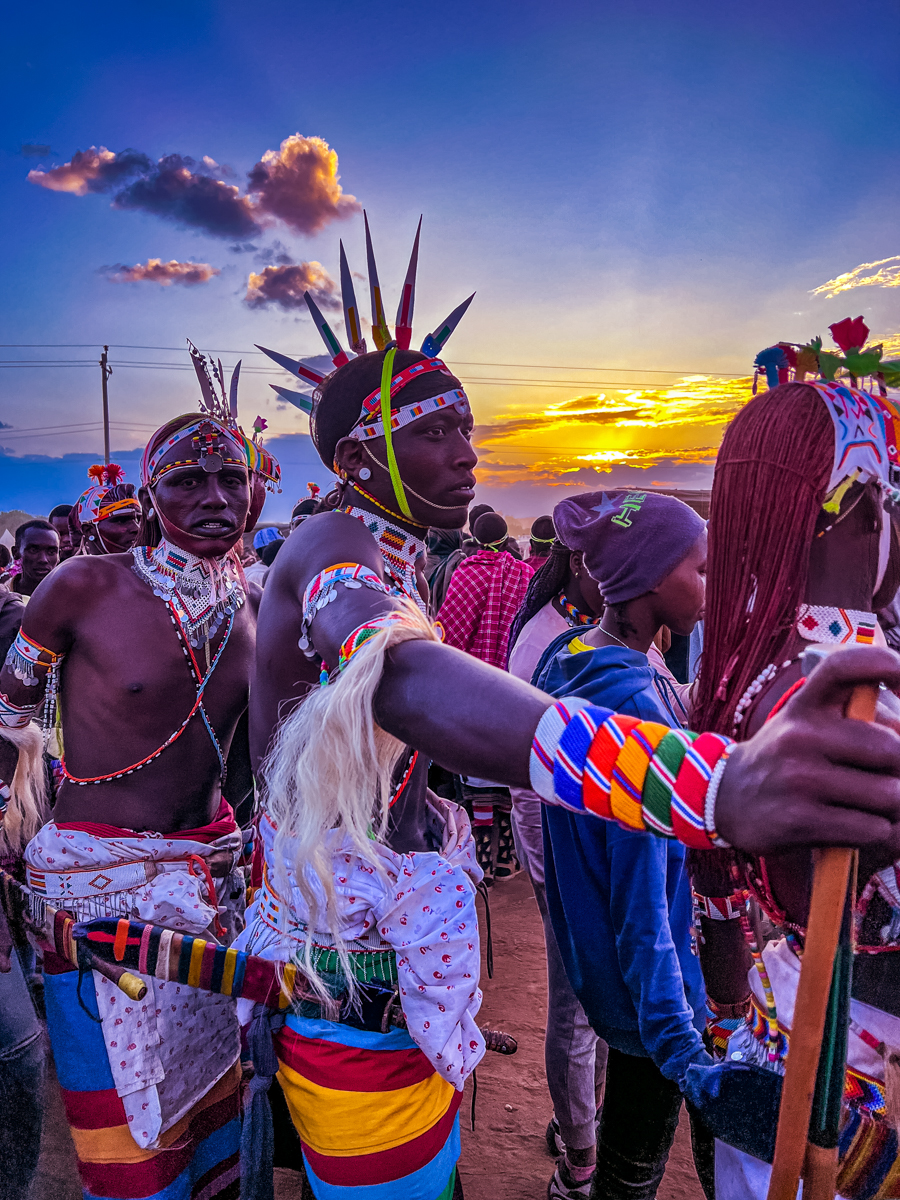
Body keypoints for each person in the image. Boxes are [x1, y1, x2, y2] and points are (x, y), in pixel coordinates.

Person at [249, 259, 900, 1197]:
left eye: (469, 428)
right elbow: (393, 675)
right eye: (436, 433)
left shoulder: (387, 554)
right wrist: (708, 786)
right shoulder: (330, 551)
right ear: (356, 462)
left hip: (379, 952)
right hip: (343, 966)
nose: (470, 454)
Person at [0, 358, 278, 1200]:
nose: (214, 498)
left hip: (209, 890)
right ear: (153, 495)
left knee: (208, 1121)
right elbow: (11, 701)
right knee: (123, 1142)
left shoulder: (260, 611)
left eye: (231, 478)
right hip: (95, 901)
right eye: (188, 480)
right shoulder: (82, 585)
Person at [689, 354, 900, 1199]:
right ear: (852, 513)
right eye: (890, 500)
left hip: (787, 1042)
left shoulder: (751, 668)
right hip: (851, 1098)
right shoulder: (852, 695)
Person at [530, 490, 713, 1200]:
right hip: (655, 1004)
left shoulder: (573, 653)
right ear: (648, 579)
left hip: (612, 976)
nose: (710, 584)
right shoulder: (632, 708)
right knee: (634, 1174)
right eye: (699, 570)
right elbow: (643, 906)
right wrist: (680, 1046)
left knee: (625, 1166)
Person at [507, 530, 606, 1197]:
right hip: (565, 854)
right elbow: (529, 775)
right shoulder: (544, 642)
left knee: (601, 1001)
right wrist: (554, 874)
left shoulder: (605, 628)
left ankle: (584, 1123)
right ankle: (579, 1161)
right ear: (577, 564)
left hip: (599, 853)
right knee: (577, 1005)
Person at [436, 511, 534, 879]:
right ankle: (507, 855)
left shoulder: (467, 572)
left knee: (476, 773)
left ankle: (483, 858)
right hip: (514, 688)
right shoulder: (524, 573)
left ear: (474, 538)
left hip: (473, 687)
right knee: (506, 767)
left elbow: (449, 634)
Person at [69, 464, 143, 556]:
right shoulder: (72, 570)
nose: (136, 528)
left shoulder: (152, 567)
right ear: (89, 531)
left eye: (138, 520)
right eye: (121, 520)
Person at [10, 519, 59, 598]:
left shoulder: (70, 597)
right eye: (33, 550)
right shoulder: (3, 597)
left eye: (51, 552)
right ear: (15, 553)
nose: (43, 560)